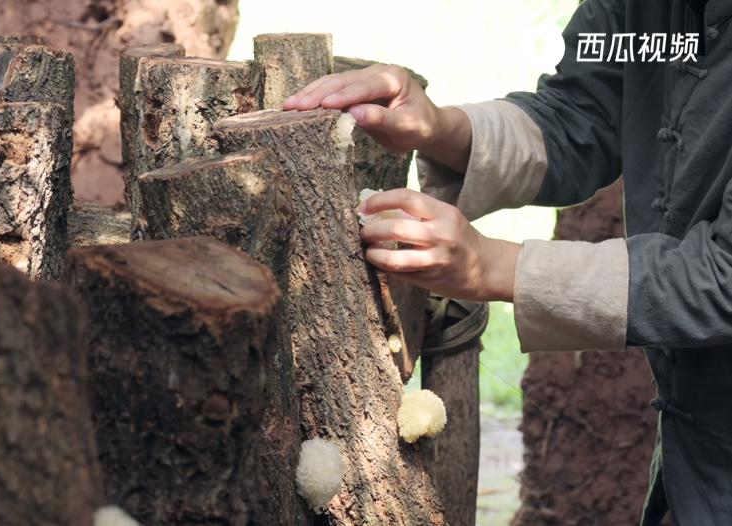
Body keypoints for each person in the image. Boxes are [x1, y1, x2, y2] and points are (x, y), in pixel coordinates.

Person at [283, 1, 732, 524]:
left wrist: (495, 267)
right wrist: (442, 128)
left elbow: (724, 277)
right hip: (691, 460)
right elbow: (585, 114)